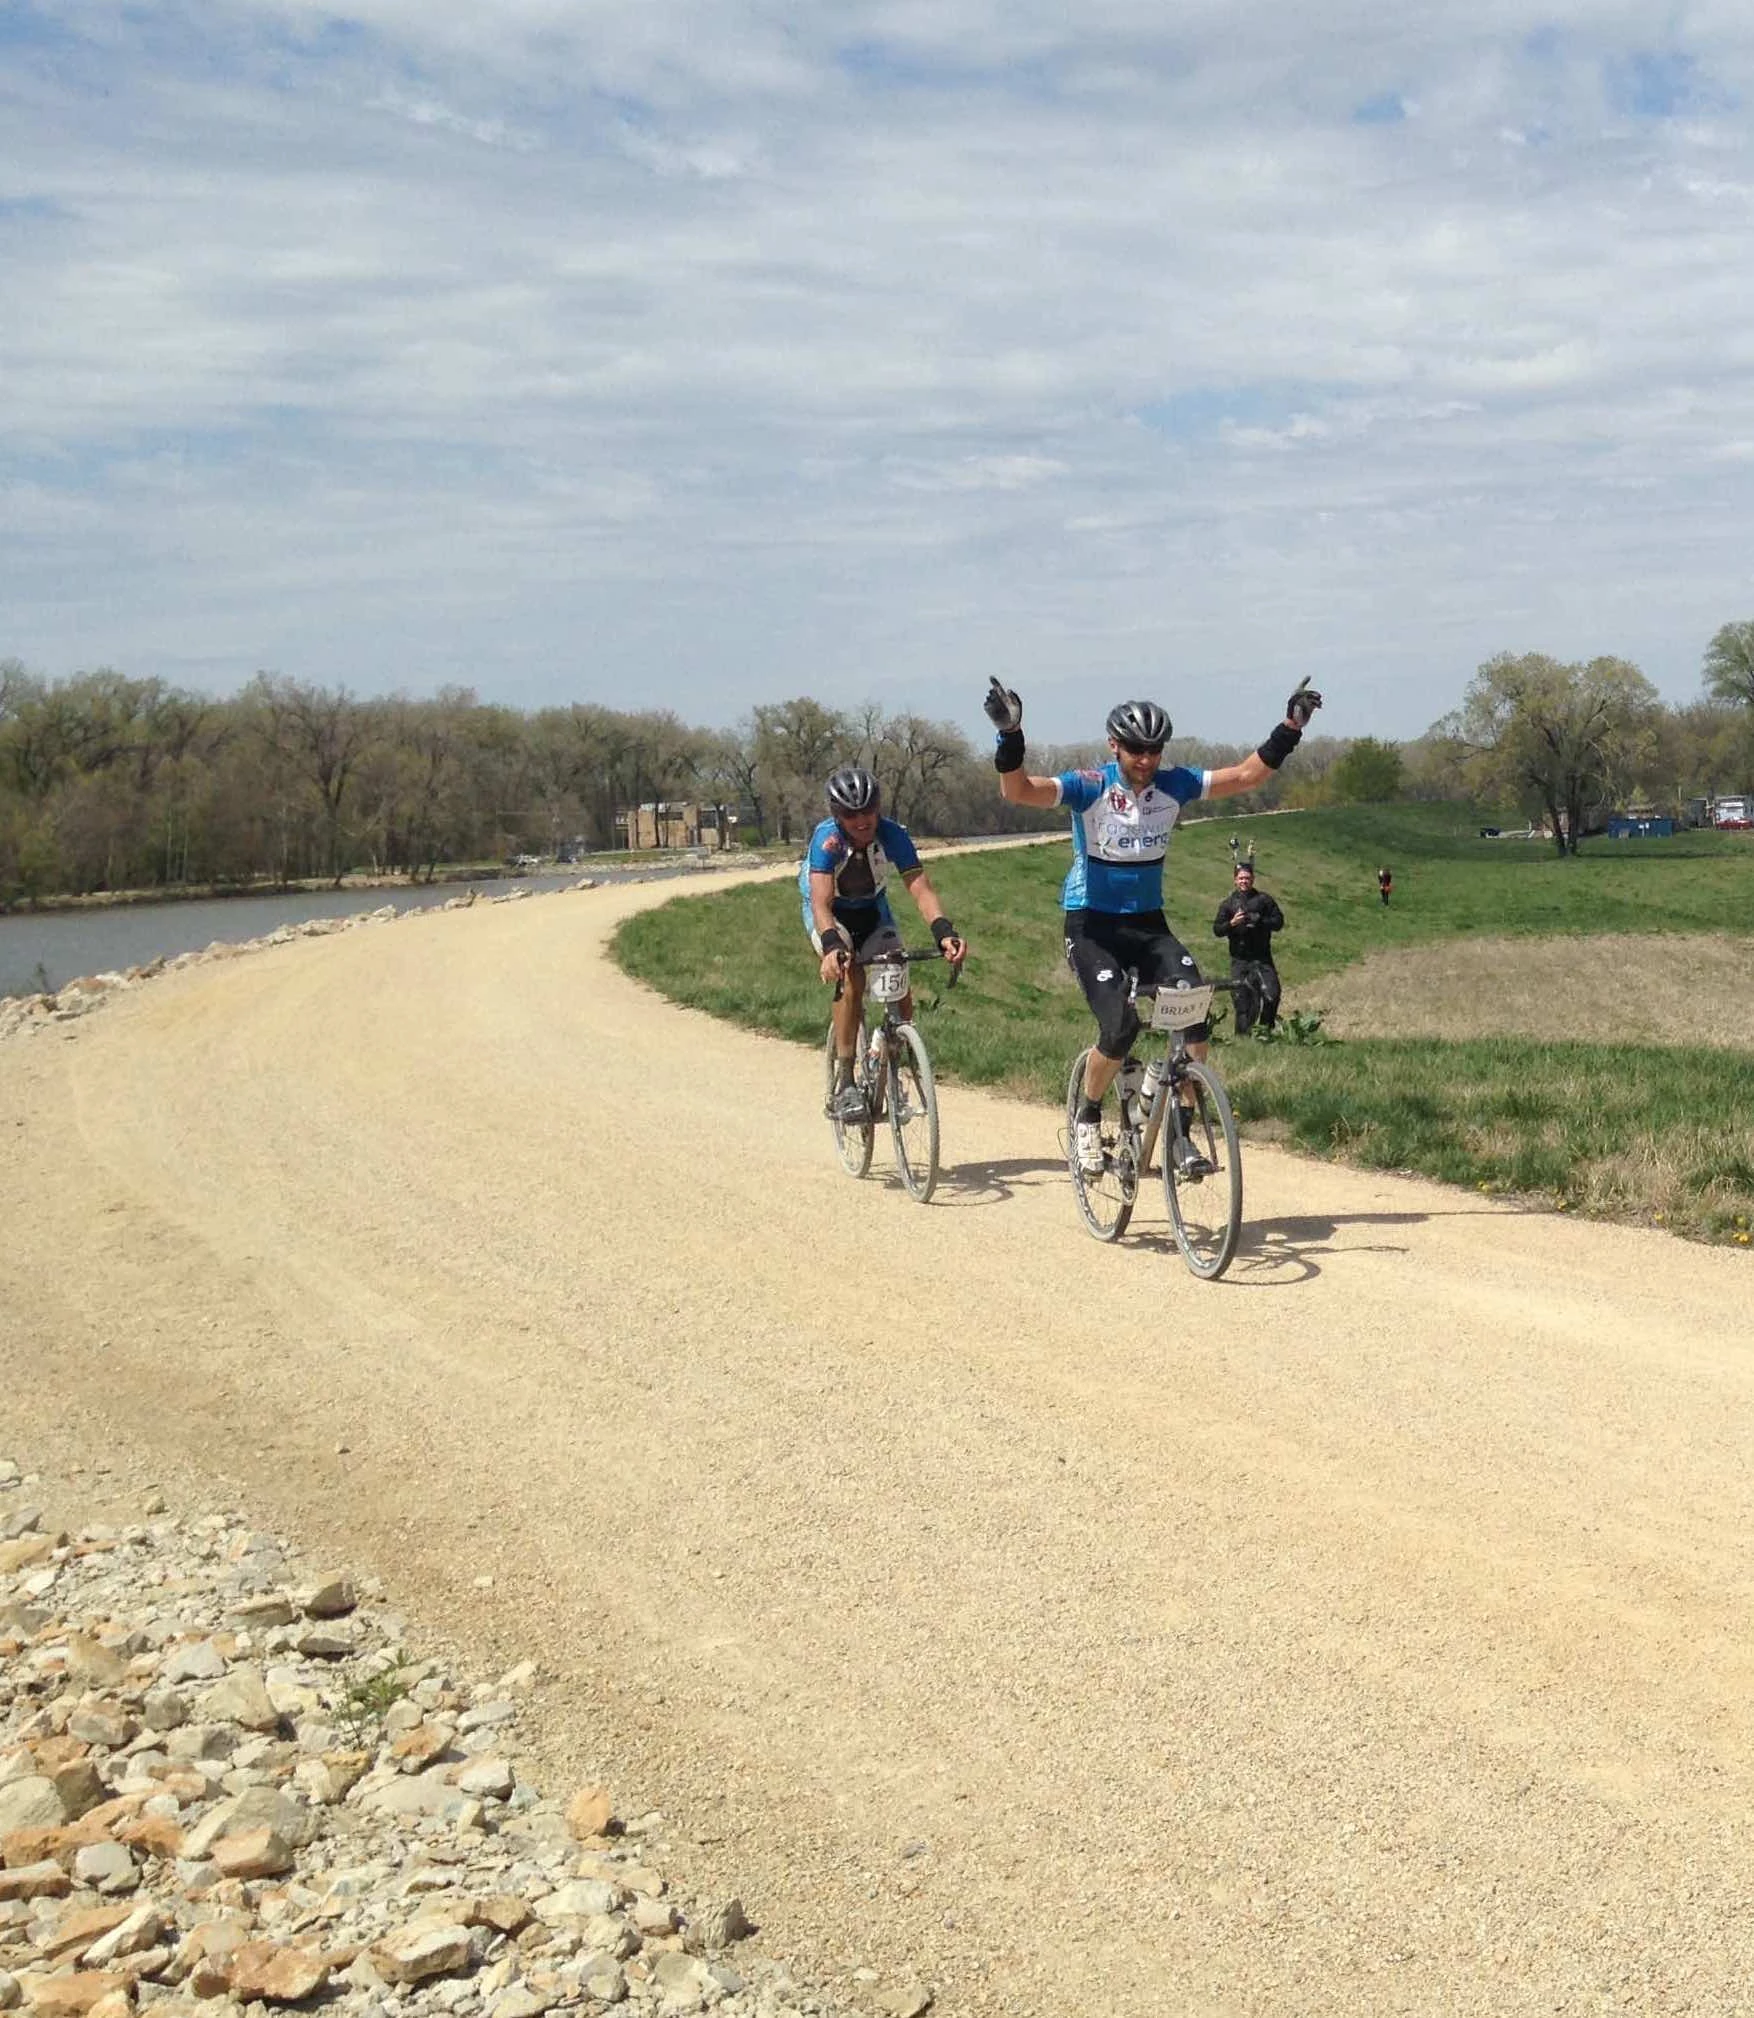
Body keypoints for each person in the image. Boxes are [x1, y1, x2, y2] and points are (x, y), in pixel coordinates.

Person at [982, 677, 1322, 1176]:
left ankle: (1179, 1135)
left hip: (1148, 925)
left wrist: (1291, 727)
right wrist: (1010, 734)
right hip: (1092, 925)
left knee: (1195, 1017)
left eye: (1155, 750)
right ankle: (1087, 1116)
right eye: (1136, 750)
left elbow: (1247, 776)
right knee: (1120, 1027)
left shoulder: (1174, 784)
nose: (1146, 760)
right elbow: (1018, 790)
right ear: (1114, 745)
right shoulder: (1090, 786)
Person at [800, 767, 967, 1121]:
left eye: (869, 811)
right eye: (851, 815)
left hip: (873, 911)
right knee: (852, 977)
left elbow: (920, 887)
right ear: (837, 815)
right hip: (831, 916)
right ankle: (845, 1083)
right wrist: (831, 947)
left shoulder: (893, 835)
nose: (862, 821)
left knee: (897, 973)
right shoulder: (828, 840)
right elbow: (820, 902)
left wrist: (944, 931)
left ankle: (887, 1058)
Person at [1212, 856, 1284, 1037]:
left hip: (1262, 958)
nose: (1244, 881)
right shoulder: (1228, 904)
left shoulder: (1264, 900)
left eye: (1247, 878)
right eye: (1241, 878)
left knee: (1272, 995)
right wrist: (1232, 923)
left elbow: (1278, 922)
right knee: (1242, 1002)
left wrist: (1260, 920)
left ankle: (1264, 1032)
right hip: (1240, 961)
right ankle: (1242, 1039)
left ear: (1253, 879)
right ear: (1235, 880)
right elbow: (1217, 930)